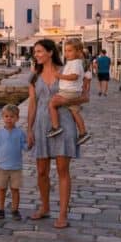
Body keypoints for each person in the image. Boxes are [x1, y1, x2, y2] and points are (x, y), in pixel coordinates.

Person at [27, 39, 80, 229]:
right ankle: (45, 207)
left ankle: (63, 214)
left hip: (63, 123)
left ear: (50, 52)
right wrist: (29, 130)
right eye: (35, 52)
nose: (36, 55)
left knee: (62, 170)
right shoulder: (34, 76)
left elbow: (83, 96)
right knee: (41, 171)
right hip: (41, 125)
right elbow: (32, 103)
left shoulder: (66, 71)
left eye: (40, 51)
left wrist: (63, 101)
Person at [46, 39, 90, 145]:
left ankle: (56, 126)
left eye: (70, 51)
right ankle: (83, 132)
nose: (66, 54)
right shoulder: (75, 62)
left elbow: (74, 76)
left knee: (52, 104)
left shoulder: (75, 63)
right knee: (75, 112)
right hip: (74, 91)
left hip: (69, 91)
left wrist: (60, 76)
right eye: (65, 51)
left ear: (78, 51)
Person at [0, 104, 27, 221]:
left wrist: (30, 143)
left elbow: (24, 147)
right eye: (6, 116)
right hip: (2, 167)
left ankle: (15, 210)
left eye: (12, 116)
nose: (9, 119)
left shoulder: (20, 133)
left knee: (15, 189)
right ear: (2, 117)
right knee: (2, 189)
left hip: (16, 167)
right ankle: (1, 209)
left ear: (17, 118)